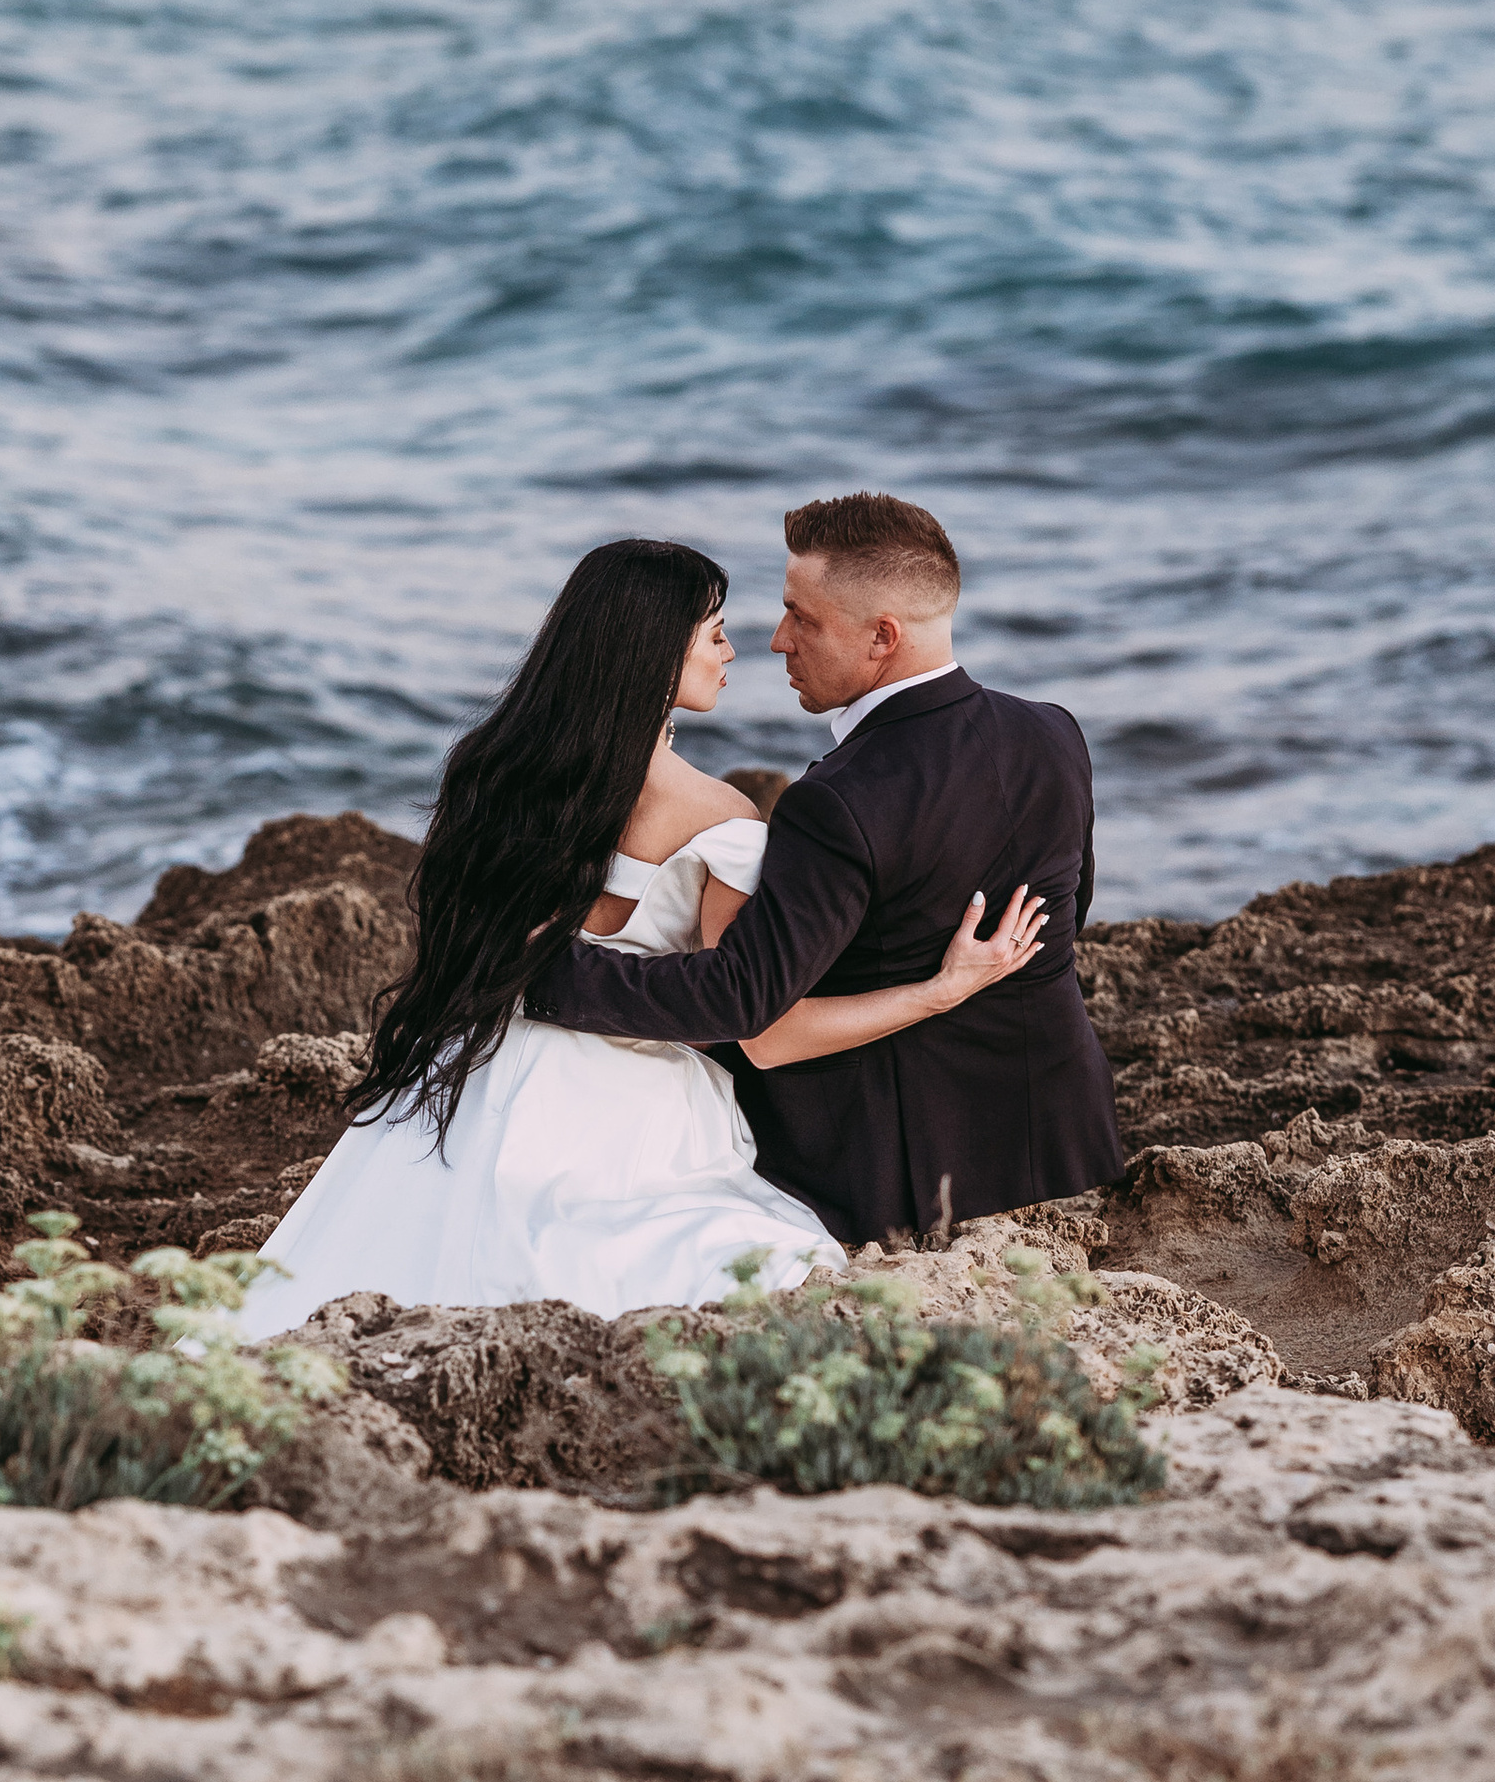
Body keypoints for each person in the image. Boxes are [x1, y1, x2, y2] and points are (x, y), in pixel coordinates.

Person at [235, 538, 1046, 1333]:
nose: (742, 648)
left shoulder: (498, 770)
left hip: (477, 1061)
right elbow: (760, 1026)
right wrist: (942, 989)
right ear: (659, 654)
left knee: (390, 1241)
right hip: (629, 1096)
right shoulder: (718, 815)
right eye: (716, 632)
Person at [523, 493, 1121, 1248]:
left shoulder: (837, 801)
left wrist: (544, 972)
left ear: (882, 637)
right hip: (1067, 1137)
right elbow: (1069, 915)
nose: (778, 641)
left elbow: (745, 1000)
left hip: (902, 1171)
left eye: (801, 618)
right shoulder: (1053, 732)